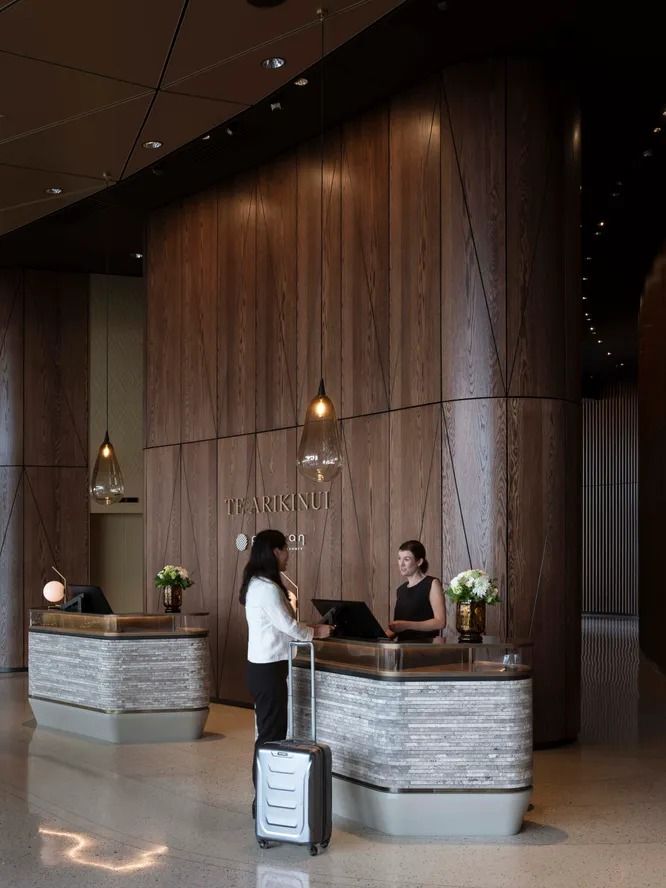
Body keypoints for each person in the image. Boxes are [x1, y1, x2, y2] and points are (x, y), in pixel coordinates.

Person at [240, 529, 333, 818]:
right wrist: (316, 632)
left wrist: (307, 628)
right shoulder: (266, 587)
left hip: (262, 668)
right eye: (285, 550)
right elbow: (288, 626)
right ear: (275, 552)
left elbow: (281, 623)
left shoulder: (258, 584)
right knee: (270, 738)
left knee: (268, 734)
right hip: (268, 671)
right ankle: (264, 801)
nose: (288, 555)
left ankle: (265, 798)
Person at [387, 540, 446, 641]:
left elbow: (440, 622)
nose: (401, 564)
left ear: (419, 562)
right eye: (399, 558)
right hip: (401, 650)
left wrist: (406, 625)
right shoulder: (400, 590)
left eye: (406, 559)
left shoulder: (432, 583)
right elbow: (397, 628)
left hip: (424, 649)